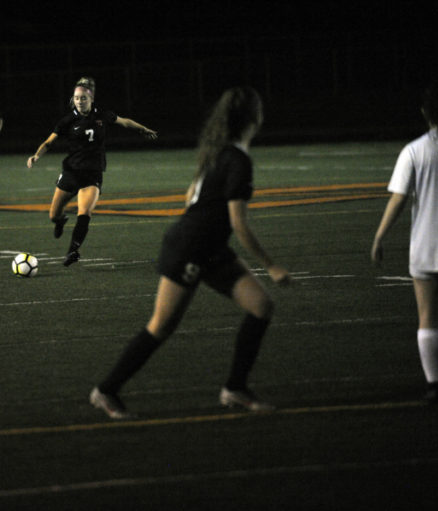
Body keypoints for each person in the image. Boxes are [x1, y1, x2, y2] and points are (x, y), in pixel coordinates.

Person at [89, 86, 290, 419]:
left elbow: (189, 197)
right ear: (253, 118)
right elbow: (239, 224)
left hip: (207, 246)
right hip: (190, 248)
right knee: (161, 326)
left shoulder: (220, 151)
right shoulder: (237, 160)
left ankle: (235, 389)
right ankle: (106, 391)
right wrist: (272, 265)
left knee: (261, 305)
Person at [27, 77, 157, 266]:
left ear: (91, 99)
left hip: (92, 174)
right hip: (71, 173)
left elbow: (125, 122)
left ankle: (73, 250)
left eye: (83, 98)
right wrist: (36, 156)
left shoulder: (102, 115)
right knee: (53, 214)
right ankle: (60, 221)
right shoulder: (68, 120)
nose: (80, 101)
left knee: (84, 213)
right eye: (77, 98)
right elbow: (49, 142)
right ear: (73, 99)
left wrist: (142, 129)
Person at [371, 80, 438, 404]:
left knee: (427, 315)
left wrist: (380, 236)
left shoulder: (414, 150)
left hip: (426, 246)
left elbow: (398, 200)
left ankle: (434, 384)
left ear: (425, 111)